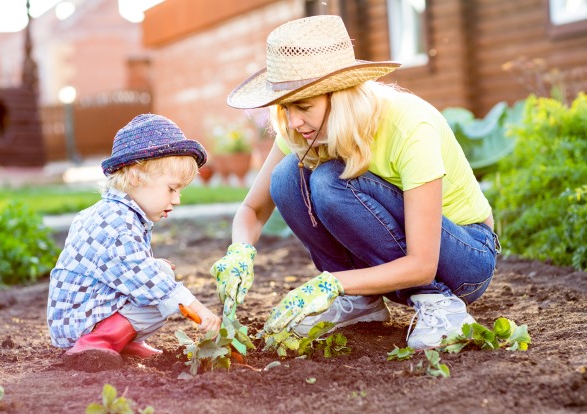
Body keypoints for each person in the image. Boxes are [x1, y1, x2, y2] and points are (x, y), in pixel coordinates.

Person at [210, 15, 500, 349]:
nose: (293, 120)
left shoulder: (408, 125)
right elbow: (252, 208)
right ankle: (363, 303)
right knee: (288, 176)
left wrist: (330, 283)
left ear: (341, 96)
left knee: (329, 182)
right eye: (285, 107)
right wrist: (240, 250)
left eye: (304, 106)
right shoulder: (302, 128)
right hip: (395, 265)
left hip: (463, 260)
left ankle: (440, 305)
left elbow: (423, 264)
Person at [47, 114, 221, 361]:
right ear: (135, 177)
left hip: (80, 313)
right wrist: (197, 308)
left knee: (160, 271)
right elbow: (148, 283)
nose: (177, 199)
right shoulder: (117, 224)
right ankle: (96, 343)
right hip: (78, 322)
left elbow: (124, 269)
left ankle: (122, 342)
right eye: (171, 188)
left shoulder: (115, 212)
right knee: (157, 293)